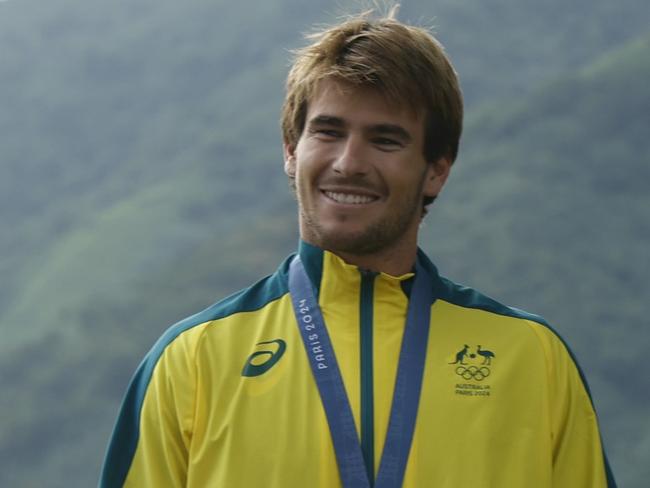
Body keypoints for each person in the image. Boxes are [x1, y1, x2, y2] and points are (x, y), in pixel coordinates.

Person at [99, 8, 616, 488]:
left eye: (385, 139)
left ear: (437, 169)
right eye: (328, 131)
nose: (349, 162)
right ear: (290, 150)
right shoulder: (192, 361)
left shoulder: (530, 358)